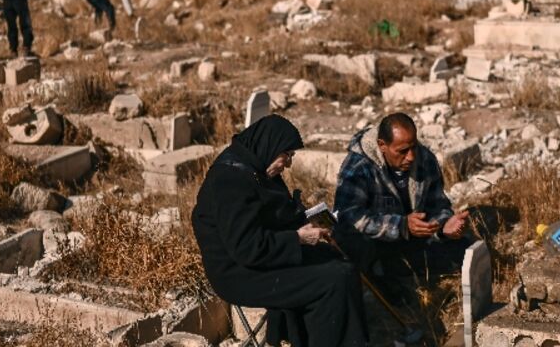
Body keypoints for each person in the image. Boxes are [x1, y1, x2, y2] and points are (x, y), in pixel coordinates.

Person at [191, 115, 366, 347]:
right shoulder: (230, 181)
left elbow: (277, 214)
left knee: (341, 261)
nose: (289, 163)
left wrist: (309, 222)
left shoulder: (258, 167)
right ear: (270, 145)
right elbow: (247, 248)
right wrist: (298, 238)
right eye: (287, 155)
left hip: (266, 258)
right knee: (333, 280)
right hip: (239, 273)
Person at [333, 113, 471, 299]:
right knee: (357, 247)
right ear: (382, 146)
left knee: (465, 251)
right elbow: (348, 217)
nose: (411, 156)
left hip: (412, 241)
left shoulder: (425, 159)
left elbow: (438, 204)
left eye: (413, 147)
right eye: (403, 151)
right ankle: (381, 276)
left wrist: (443, 226)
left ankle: (393, 271)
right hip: (376, 243)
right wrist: (401, 226)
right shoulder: (359, 166)